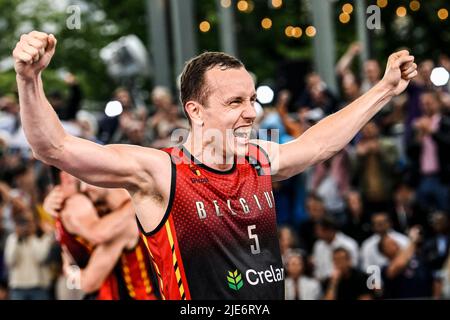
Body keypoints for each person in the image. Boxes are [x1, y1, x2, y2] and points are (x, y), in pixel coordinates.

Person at [13, 31, 417, 300]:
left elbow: (318, 144)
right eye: (235, 103)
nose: (251, 113)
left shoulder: (258, 159)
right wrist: (29, 80)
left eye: (252, 100)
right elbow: (55, 147)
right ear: (196, 111)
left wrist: (383, 89)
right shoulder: (160, 172)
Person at [44, 169, 159, 300]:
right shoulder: (105, 214)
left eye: (87, 179)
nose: (85, 188)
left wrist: (72, 274)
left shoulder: (123, 225)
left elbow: (88, 282)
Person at [379, 226, 433, 299]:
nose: (395, 244)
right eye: (390, 244)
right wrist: (413, 241)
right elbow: (399, 265)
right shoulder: (385, 268)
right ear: (384, 252)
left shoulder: (413, 257)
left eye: (395, 242)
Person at [312, 216, 359, 282]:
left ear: (329, 230)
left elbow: (353, 267)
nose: (316, 233)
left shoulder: (349, 244)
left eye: (319, 230)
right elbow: (317, 268)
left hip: (345, 282)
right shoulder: (318, 245)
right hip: (323, 283)